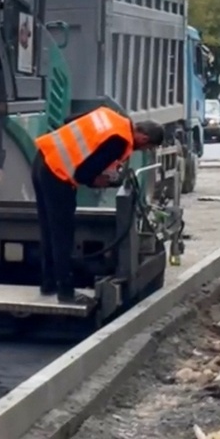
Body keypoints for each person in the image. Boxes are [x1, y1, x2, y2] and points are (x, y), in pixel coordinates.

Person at [33, 107, 164, 304]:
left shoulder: (110, 116)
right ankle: (66, 293)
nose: (142, 150)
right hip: (58, 175)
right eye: (146, 147)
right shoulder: (119, 141)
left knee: (48, 228)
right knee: (62, 234)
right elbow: (82, 174)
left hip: (42, 159)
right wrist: (98, 180)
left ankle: (49, 283)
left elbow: (70, 118)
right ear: (144, 138)